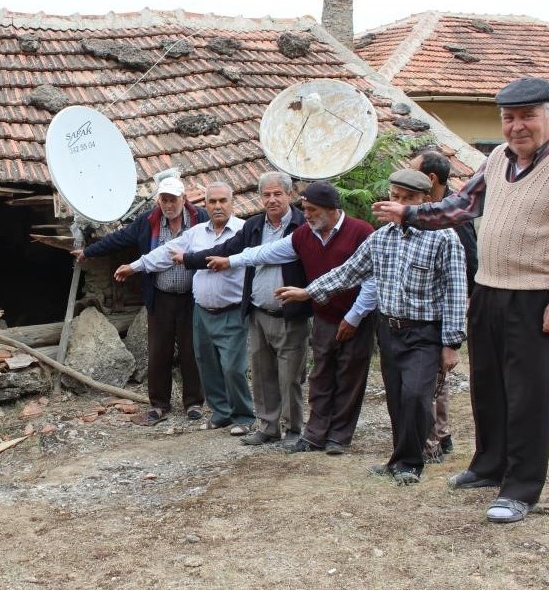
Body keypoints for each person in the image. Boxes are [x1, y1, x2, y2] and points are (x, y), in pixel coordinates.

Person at [372, 76, 549, 523]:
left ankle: (521, 488)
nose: (517, 127)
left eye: (528, 116)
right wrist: (409, 212)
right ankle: (488, 466)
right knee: (488, 388)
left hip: (535, 296)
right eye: (509, 118)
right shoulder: (496, 159)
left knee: (529, 396)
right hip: (488, 288)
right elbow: (459, 207)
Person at [279, 169, 467, 485]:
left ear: (424, 201)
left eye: (408, 199)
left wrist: (451, 343)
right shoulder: (381, 238)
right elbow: (348, 272)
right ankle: (399, 460)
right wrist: (308, 292)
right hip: (389, 330)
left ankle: (411, 461)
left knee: (416, 397)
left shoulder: (444, 237)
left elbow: (456, 290)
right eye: (395, 197)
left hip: (424, 333)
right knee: (395, 397)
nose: (399, 204)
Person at [206, 181, 378, 455]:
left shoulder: (361, 232)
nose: (306, 215)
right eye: (305, 209)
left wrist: (355, 316)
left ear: (331, 209)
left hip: (356, 316)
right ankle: (315, 435)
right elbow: (267, 252)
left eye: (311, 210)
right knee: (321, 378)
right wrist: (231, 261)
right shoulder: (304, 235)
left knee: (349, 377)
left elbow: (372, 279)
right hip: (324, 317)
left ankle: (339, 437)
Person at [176, 171, 311, 446]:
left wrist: (232, 261)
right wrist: (190, 259)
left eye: (277, 194)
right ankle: (268, 426)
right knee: (262, 375)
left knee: (289, 377)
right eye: (266, 195)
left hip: (289, 314)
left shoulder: (301, 226)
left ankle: (294, 429)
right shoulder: (254, 226)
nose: (272, 200)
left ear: (289, 195)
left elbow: (240, 257)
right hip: (259, 312)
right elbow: (227, 248)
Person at [115, 182, 254, 431]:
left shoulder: (244, 230)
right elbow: (166, 251)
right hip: (202, 310)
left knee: (233, 367)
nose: (218, 206)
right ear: (205, 205)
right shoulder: (197, 233)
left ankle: (243, 417)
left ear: (232, 203)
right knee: (206, 363)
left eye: (223, 201)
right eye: (212, 202)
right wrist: (135, 266)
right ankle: (221, 412)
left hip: (231, 310)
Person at [73, 177, 208, 425]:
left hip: (192, 297)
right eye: (164, 199)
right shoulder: (149, 221)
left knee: (192, 351)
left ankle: (194, 403)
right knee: (159, 351)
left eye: (173, 199)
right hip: (161, 297)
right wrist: (89, 252)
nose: (168, 204)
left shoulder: (201, 219)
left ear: (183, 199)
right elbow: (120, 238)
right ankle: (159, 404)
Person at [411, 150, 478, 463]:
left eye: (414, 173)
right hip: (423, 305)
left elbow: (468, 264)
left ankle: (438, 437)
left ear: (431, 179)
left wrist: (459, 308)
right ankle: (441, 433)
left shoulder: (454, 217)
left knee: (437, 374)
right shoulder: (427, 209)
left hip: (444, 306)